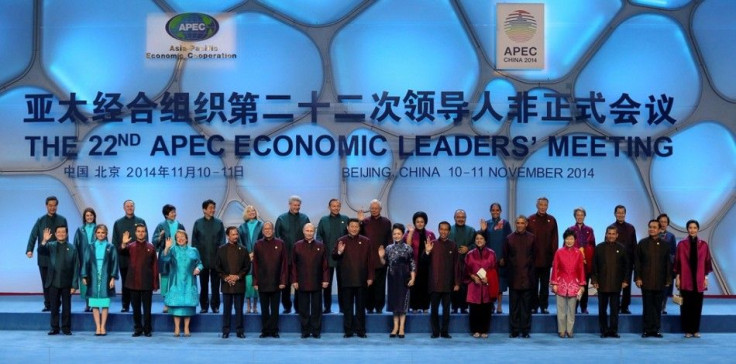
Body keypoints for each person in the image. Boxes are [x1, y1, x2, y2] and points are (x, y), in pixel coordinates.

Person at [333, 218, 374, 338]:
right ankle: (348, 331)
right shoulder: (341, 240)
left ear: (359, 228)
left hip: (362, 279)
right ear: (347, 227)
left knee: (361, 307)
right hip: (346, 279)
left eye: (356, 226)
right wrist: (339, 252)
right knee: (347, 307)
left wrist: (370, 276)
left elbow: (370, 261)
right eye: (352, 226)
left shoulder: (366, 241)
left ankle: (361, 330)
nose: (354, 228)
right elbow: (334, 256)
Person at [26, 196, 68, 312]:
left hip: (58, 256)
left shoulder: (62, 220)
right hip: (44, 257)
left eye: (54, 205)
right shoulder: (41, 220)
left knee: (57, 281)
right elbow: (33, 235)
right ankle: (48, 304)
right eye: (50, 205)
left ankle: (57, 304)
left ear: (57, 206)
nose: (52, 207)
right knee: (46, 282)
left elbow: (66, 238)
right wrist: (29, 250)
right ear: (46, 206)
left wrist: (66, 254)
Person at [674, 220, 713, 338]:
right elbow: (677, 262)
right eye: (690, 228)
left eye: (695, 228)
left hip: (699, 280)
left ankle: (695, 330)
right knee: (685, 306)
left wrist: (705, 277)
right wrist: (677, 277)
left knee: (697, 306)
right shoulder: (681, 245)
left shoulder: (704, 245)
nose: (692, 230)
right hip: (685, 279)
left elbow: (707, 263)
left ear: (698, 229)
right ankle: (687, 330)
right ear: (687, 229)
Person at [161, 230, 203, 337]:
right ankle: (176, 328)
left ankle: (186, 328)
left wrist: (198, 269)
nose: (180, 239)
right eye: (178, 237)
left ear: (186, 238)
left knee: (187, 305)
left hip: (189, 281)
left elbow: (200, 263)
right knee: (177, 305)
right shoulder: (172, 250)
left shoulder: (193, 250)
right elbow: (164, 259)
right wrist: (166, 248)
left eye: (182, 236)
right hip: (176, 281)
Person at [291, 223, 330, 338]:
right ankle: (305, 331)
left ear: (314, 232)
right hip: (301, 281)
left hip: (317, 281)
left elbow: (325, 265)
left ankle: (316, 331)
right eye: (307, 230)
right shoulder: (297, 246)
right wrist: (294, 280)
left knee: (317, 308)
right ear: (303, 232)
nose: (309, 232)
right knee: (303, 308)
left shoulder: (321, 245)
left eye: (311, 231)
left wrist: (325, 279)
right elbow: (293, 265)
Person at [635, 220, 672, 338]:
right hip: (646, 281)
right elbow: (637, 262)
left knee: (657, 307)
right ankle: (646, 330)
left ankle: (656, 330)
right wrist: (638, 278)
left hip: (660, 281)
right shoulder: (642, 243)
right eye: (650, 227)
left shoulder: (665, 245)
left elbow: (668, 264)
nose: (652, 229)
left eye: (654, 227)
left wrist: (668, 279)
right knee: (647, 306)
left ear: (660, 229)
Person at [423, 221, 460, 339]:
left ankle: (444, 332)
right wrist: (427, 251)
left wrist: (457, 282)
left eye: (446, 230)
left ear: (449, 231)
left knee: (446, 311)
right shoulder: (432, 244)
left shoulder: (453, 245)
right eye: (441, 229)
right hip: (434, 283)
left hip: (448, 284)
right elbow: (424, 261)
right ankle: (435, 332)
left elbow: (456, 265)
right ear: (438, 230)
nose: (443, 231)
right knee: (433, 310)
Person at [275, 195, 310, 314]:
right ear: (289, 205)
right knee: (286, 282)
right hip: (285, 257)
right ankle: (286, 305)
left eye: (298, 205)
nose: (297, 207)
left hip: (301, 258)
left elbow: (309, 236)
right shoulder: (281, 218)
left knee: (299, 283)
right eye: (294, 205)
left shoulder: (305, 218)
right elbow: (277, 238)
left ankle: (298, 306)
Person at [82, 224, 119, 336]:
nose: (100, 234)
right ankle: (97, 327)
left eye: (103, 232)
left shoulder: (110, 247)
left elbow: (114, 263)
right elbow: (86, 261)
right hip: (93, 275)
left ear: (106, 234)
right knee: (94, 303)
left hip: (106, 276)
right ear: (95, 234)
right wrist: (84, 276)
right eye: (98, 232)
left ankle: (103, 327)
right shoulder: (90, 246)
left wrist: (112, 278)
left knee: (104, 303)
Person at [591, 226, 628, 338]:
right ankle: (604, 330)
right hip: (602, 284)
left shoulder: (622, 248)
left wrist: (625, 280)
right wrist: (594, 280)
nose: (611, 236)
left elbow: (626, 266)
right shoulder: (599, 247)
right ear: (606, 234)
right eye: (609, 233)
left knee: (615, 309)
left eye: (613, 234)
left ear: (617, 235)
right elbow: (594, 266)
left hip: (616, 284)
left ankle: (613, 330)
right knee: (602, 309)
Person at [252, 221, 288, 338]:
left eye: (270, 229)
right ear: (263, 231)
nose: (267, 231)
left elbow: (284, 263)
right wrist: (255, 281)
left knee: (275, 308)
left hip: (277, 282)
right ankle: (265, 330)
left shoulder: (280, 243)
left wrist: (283, 281)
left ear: (273, 230)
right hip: (262, 282)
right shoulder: (258, 244)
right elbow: (255, 264)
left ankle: (274, 330)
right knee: (264, 308)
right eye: (265, 229)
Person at [42, 225, 79, 335]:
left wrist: (74, 285)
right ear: (56, 234)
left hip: (67, 283)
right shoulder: (51, 245)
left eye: (63, 232)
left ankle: (66, 328)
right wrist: (44, 240)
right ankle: (54, 328)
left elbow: (76, 267)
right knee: (54, 306)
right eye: (59, 232)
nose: (61, 234)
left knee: (67, 307)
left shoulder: (72, 248)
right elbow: (41, 250)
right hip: (53, 281)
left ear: (66, 234)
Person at [124, 223, 159, 337]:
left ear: (146, 232)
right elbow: (121, 251)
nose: (140, 233)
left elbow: (155, 267)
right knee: (136, 309)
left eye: (143, 231)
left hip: (147, 283)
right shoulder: (130, 246)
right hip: (133, 283)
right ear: (135, 233)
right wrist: (124, 243)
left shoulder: (151, 247)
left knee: (147, 309)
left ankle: (148, 330)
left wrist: (155, 284)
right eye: (138, 231)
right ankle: (138, 329)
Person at [112, 200, 147, 312]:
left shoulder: (140, 221)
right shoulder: (118, 223)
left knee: (138, 283)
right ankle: (125, 305)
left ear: (134, 207)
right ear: (124, 208)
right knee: (125, 283)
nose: (130, 208)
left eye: (131, 206)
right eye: (127, 206)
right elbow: (115, 242)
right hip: (124, 258)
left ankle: (137, 305)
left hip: (139, 259)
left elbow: (146, 240)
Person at [358, 199, 392, 314]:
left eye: (376, 208)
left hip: (381, 258)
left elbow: (389, 240)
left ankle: (379, 307)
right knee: (369, 284)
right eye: (372, 208)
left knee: (380, 285)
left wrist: (386, 256)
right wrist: (360, 222)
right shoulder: (365, 221)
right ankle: (369, 307)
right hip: (367, 258)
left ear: (380, 209)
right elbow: (359, 237)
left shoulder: (387, 222)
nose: (374, 210)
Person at [504, 215, 535, 338]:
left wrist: (531, 276)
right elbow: (506, 257)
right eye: (518, 223)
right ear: (515, 224)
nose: (520, 225)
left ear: (526, 224)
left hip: (527, 277)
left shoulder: (532, 238)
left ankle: (526, 331)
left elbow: (534, 257)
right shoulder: (509, 238)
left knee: (526, 307)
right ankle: (514, 330)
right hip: (514, 278)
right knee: (514, 307)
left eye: (522, 223)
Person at [216, 226, 250, 339]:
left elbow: (247, 267)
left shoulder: (243, 249)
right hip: (226, 284)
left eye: (236, 234)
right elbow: (218, 267)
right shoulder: (221, 249)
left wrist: (237, 277)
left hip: (239, 283)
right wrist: (226, 277)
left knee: (239, 309)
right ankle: (226, 330)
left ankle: (240, 331)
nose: (235, 236)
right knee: (226, 309)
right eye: (233, 234)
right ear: (227, 236)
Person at [550, 229, 585, 338]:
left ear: (575, 240)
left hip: (574, 284)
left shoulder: (578, 253)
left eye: (571, 239)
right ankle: (561, 330)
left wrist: (582, 285)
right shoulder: (559, 252)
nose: (569, 241)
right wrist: (554, 283)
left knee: (571, 309)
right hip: (561, 283)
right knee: (561, 309)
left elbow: (581, 269)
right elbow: (555, 268)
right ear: (564, 240)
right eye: (567, 239)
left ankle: (570, 330)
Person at [192, 199, 225, 314]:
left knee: (216, 285)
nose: (213, 210)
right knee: (203, 284)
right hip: (202, 259)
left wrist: (221, 258)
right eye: (210, 208)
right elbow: (194, 243)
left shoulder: (219, 223)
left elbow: (222, 242)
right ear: (204, 209)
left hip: (216, 259)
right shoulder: (198, 223)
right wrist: (195, 260)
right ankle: (204, 306)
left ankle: (215, 306)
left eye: (213, 208)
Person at [316, 199, 349, 314]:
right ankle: (327, 307)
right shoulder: (323, 220)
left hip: (343, 258)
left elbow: (350, 236)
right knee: (326, 284)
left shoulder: (345, 219)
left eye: (338, 206)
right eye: (333, 206)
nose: (336, 208)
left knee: (343, 285)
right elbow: (319, 237)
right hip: (327, 258)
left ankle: (343, 307)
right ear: (329, 207)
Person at [526, 197, 558, 314]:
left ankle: (544, 306)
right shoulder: (530, 219)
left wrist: (555, 257)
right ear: (537, 205)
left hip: (546, 258)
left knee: (544, 285)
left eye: (545, 205)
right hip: (533, 259)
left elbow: (555, 239)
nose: (543, 207)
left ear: (547, 206)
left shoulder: (552, 220)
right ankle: (533, 306)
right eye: (541, 205)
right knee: (533, 284)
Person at [152, 204, 185, 313]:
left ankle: (176, 301)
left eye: (175, 211)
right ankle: (166, 303)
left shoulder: (180, 225)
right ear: (166, 214)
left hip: (178, 255)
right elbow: (154, 241)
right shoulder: (161, 225)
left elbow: (185, 239)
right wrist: (160, 236)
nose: (174, 214)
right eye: (171, 212)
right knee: (165, 278)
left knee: (177, 277)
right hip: (165, 254)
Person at [464, 232, 498, 338]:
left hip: (487, 284)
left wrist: (488, 277)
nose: (479, 240)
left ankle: (484, 330)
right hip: (474, 285)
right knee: (474, 310)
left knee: (486, 309)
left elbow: (495, 269)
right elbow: (466, 270)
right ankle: (475, 330)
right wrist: (473, 277)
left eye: (481, 238)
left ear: (485, 240)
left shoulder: (492, 253)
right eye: (477, 238)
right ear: (474, 240)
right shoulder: (469, 254)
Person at [480, 202, 512, 314]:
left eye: (497, 210)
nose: (495, 212)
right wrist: (482, 230)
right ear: (490, 211)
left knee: (500, 282)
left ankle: (499, 305)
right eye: (493, 210)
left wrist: (505, 257)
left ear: (500, 211)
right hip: (488, 258)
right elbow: (481, 239)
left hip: (501, 257)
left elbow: (509, 241)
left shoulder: (505, 223)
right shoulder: (486, 224)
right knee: (489, 281)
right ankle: (490, 304)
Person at [385, 223, 415, 338]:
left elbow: (412, 263)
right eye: (394, 234)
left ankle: (402, 328)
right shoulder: (388, 248)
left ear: (403, 234)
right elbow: (385, 263)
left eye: (398, 233)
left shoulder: (408, 248)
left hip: (404, 277)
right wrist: (380, 256)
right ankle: (395, 327)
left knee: (402, 304)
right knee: (394, 303)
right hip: (392, 277)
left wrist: (413, 277)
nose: (396, 236)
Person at [406, 211, 435, 313]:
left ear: (425, 222)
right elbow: (408, 246)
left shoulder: (430, 234)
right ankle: (414, 307)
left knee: (426, 285)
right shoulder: (410, 233)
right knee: (414, 286)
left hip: (426, 264)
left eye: (422, 221)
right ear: (414, 222)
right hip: (414, 264)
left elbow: (433, 249)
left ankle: (425, 306)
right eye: (417, 221)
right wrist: (410, 232)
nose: (419, 223)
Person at [568, 207, 595, 314]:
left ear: (584, 216)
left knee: (584, 287)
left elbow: (593, 246)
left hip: (586, 263)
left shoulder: (589, 230)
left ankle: (584, 307)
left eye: (581, 215)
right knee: (574, 286)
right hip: (574, 264)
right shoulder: (570, 229)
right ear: (575, 216)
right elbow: (566, 245)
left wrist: (585, 251)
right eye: (578, 215)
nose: (580, 216)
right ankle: (574, 307)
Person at [449, 209, 476, 314]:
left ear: (465, 218)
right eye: (458, 217)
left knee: (465, 285)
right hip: (452, 262)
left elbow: (476, 244)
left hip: (467, 262)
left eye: (463, 217)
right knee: (454, 284)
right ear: (454, 218)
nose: (461, 219)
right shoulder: (449, 229)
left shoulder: (471, 230)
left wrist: (468, 248)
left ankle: (464, 306)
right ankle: (454, 306)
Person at [611, 205, 636, 314]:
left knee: (627, 285)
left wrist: (635, 262)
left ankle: (625, 306)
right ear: (615, 214)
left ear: (625, 214)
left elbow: (634, 245)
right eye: (618, 212)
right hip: (615, 262)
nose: (620, 214)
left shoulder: (631, 228)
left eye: (622, 212)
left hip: (628, 261)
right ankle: (615, 306)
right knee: (615, 285)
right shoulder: (611, 228)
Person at [238, 205, 262, 314]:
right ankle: (248, 305)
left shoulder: (261, 225)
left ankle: (255, 306)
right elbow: (239, 242)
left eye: (253, 210)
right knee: (247, 283)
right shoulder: (242, 227)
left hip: (259, 258)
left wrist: (254, 253)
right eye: (249, 211)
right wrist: (247, 254)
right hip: (245, 258)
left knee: (256, 281)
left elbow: (263, 241)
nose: (252, 212)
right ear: (246, 213)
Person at [73, 207, 96, 312]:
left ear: (94, 216)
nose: (89, 217)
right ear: (84, 217)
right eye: (87, 215)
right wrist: (76, 260)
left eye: (91, 215)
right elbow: (75, 246)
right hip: (83, 261)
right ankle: (87, 304)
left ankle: (94, 304)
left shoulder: (99, 229)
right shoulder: (80, 230)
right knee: (85, 283)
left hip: (96, 260)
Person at [657, 213, 677, 315]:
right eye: (661, 221)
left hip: (667, 267)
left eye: (665, 222)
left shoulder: (671, 236)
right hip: (655, 267)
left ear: (667, 223)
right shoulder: (653, 234)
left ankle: (663, 307)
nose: (663, 223)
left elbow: (674, 253)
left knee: (665, 289)